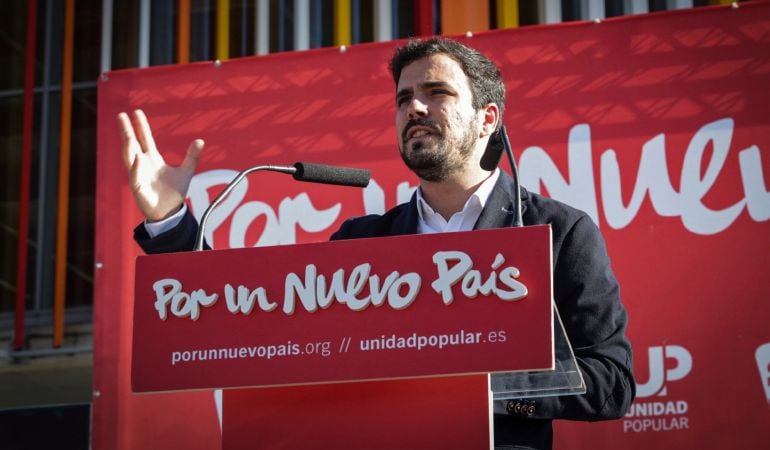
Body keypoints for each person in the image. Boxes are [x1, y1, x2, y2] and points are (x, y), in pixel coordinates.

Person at [119, 37, 635, 450]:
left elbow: (611, 384)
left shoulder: (556, 232)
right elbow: (243, 326)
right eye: (404, 98)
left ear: (488, 119)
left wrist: (481, 389)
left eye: (437, 92)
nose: (414, 106)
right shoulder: (362, 243)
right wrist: (170, 220)